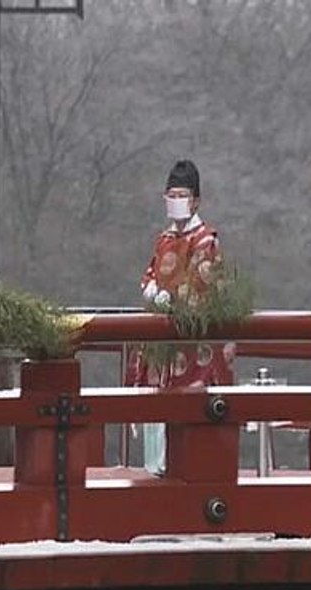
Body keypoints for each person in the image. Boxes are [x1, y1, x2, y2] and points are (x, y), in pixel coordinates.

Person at [126, 159, 235, 477]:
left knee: (186, 415)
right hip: (160, 345)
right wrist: (150, 290)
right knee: (154, 411)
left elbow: (200, 287)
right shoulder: (163, 239)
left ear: (196, 200)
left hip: (190, 347)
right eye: (170, 195)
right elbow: (148, 275)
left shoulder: (207, 241)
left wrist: (170, 297)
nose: (175, 201)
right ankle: (154, 470)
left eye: (182, 195)